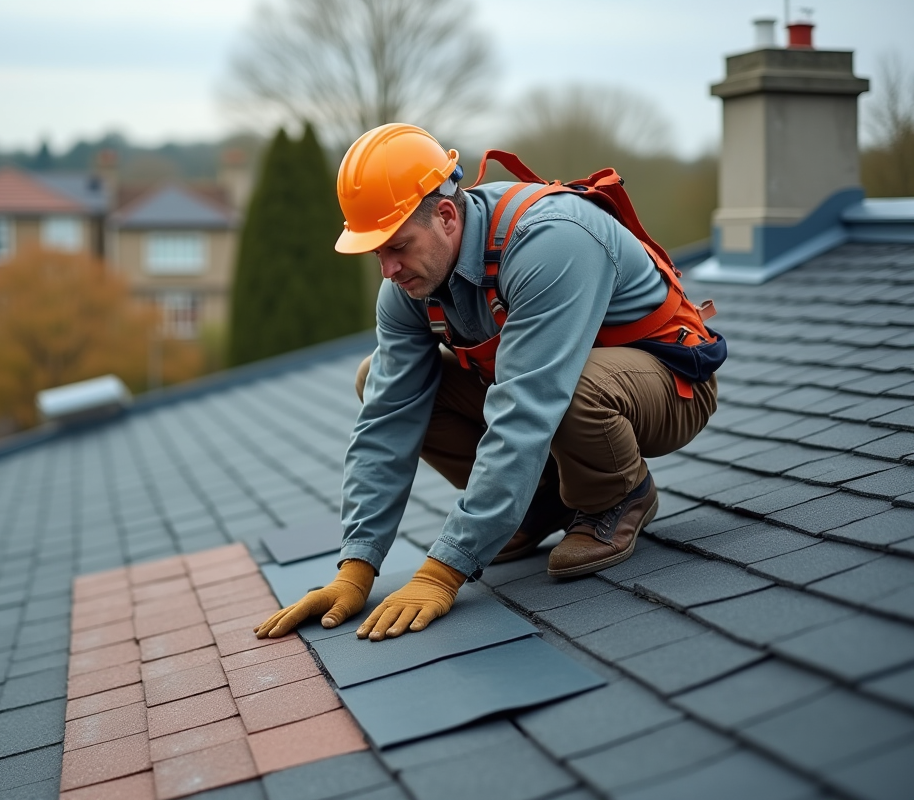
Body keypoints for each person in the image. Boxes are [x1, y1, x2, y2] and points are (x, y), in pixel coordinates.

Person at [255, 123, 721, 644]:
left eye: (397, 246)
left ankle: (618, 496)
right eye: (376, 253)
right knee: (375, 378)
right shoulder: (410, 284)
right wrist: (357, 566)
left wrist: (445, 570)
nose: (387, 270)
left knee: (572, 389)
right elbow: (387, 421)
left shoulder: (552, 241)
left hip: (667, 389)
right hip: (552, 395)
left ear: (447, 215)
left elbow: (528, 406)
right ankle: (540, 504)